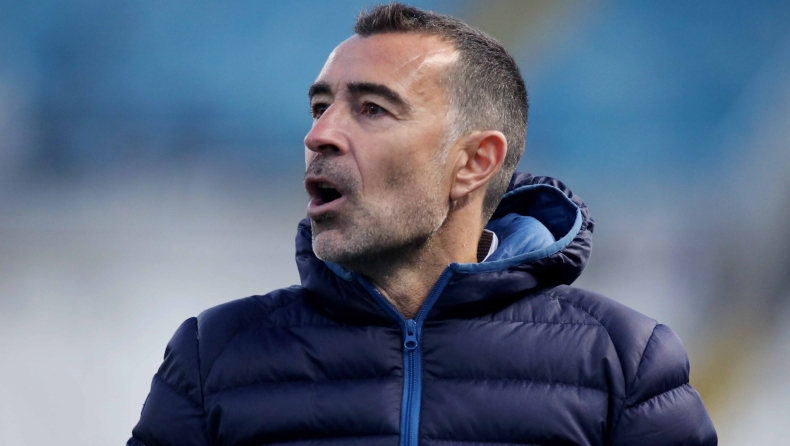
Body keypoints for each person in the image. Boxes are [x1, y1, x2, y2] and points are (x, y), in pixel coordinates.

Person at [128, 3, 717, 445]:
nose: (319, 134)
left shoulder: (623, 364)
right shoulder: (213, 357)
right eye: (320, 107)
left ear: (474, 162)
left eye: (372, 108)